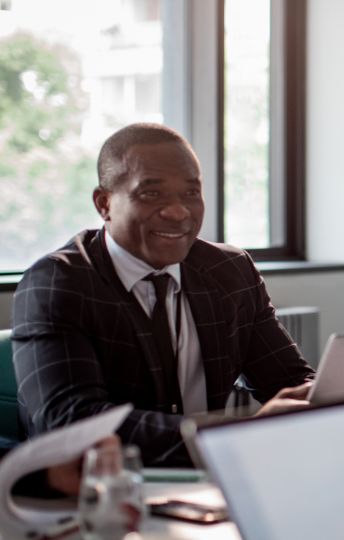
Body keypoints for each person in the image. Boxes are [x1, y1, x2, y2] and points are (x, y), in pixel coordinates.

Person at [12, 123, 315, 467]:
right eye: (152, 194)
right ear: (104, 203)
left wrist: (336, 398)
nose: (178, 212)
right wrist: (230, 435)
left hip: (208, 484)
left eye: (190, 194)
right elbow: (74, 424)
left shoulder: (230, 271)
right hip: (97, 492)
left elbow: (287, 379)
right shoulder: (57, 282)